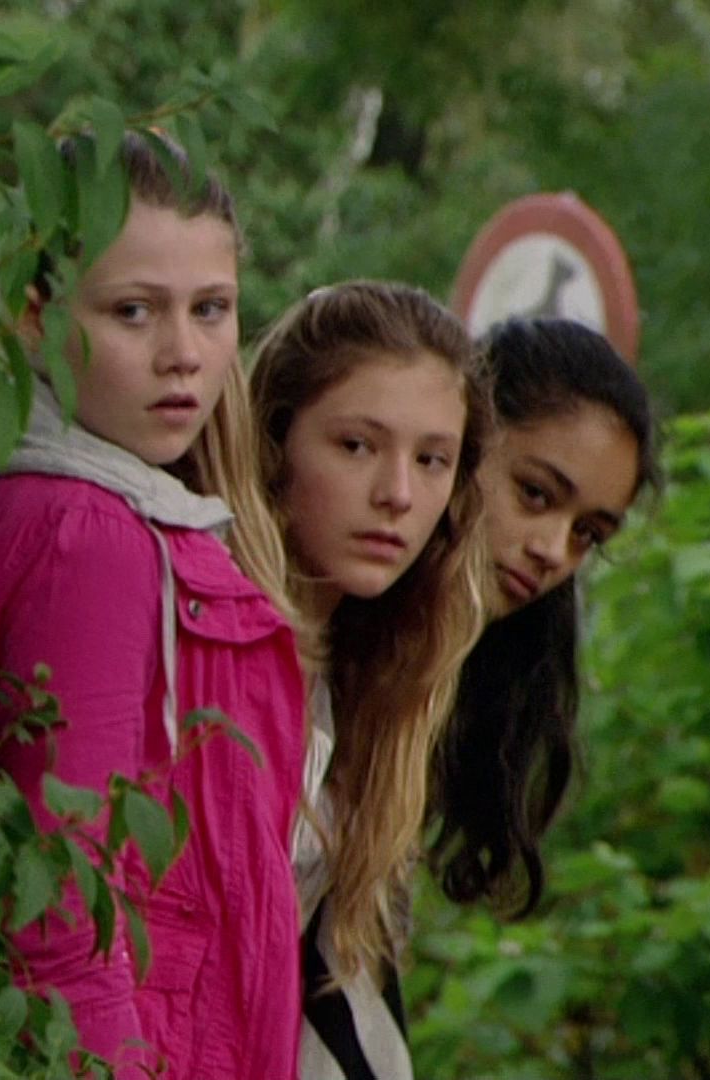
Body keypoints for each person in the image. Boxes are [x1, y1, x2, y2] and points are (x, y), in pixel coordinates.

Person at [0, 131, 307, 1079]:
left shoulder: (31, 494)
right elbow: (61, 921)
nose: (184, 356)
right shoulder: (89, 536)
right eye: (134, 311)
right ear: (34, 318)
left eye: (211, 310)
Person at [248, 282, 493, 1080]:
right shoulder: (215, 639)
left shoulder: (378, 673)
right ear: (275, 440)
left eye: (432, 460)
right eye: (357, 446)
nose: (398, 495)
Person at [425, 316, 661, 923]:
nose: (553, 551)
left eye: (588, 533)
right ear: (462, 442)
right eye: (535, 494)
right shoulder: (309, 635)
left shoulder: (465, 684)